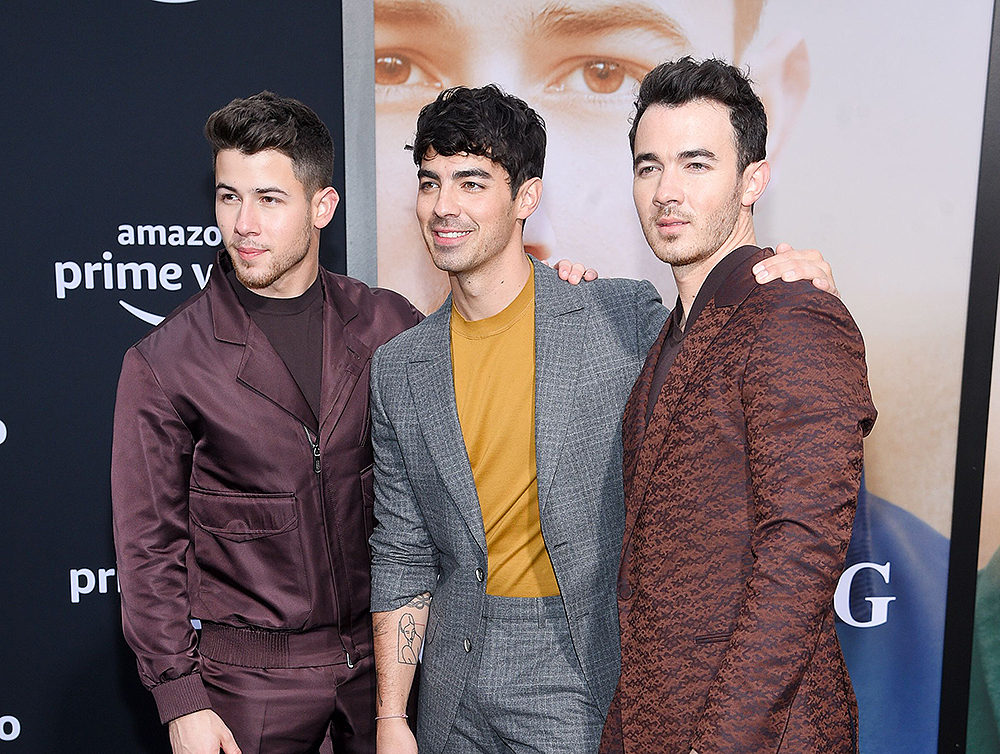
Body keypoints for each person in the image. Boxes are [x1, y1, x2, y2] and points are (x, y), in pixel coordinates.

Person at [367, 84, 835, 754]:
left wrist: (797, 280)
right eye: (430, 182)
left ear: (526, 197)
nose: (445, 206)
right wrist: (391, 716)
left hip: (582, 671)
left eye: (471, 182)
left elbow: (733, 348)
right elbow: (402, 549)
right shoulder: (399, 367)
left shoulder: (617, 316)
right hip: (452, 682)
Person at [111, 92, 422, 754]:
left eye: (269, 199)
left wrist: (561, 292)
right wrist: (179, 699)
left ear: (322, 208)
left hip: (384, 673)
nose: (243, 223)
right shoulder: (168, 362)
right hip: (245, 683)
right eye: (229, 197)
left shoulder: (389, 325)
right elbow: (147, 549)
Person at [601, 57, 877, 754]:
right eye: (648, 166)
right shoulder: (673, 333)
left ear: (753, 178)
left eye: (696, 165)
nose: (667, 191)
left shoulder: (792, 315)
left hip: (759, 734)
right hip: (655, 718)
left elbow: (800, 557)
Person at [373, 0, 814, 313]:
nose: (666, 192)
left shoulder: (636, 324)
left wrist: (801, 303)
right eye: (393, 66)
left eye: (602, 75)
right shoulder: (395, 367)